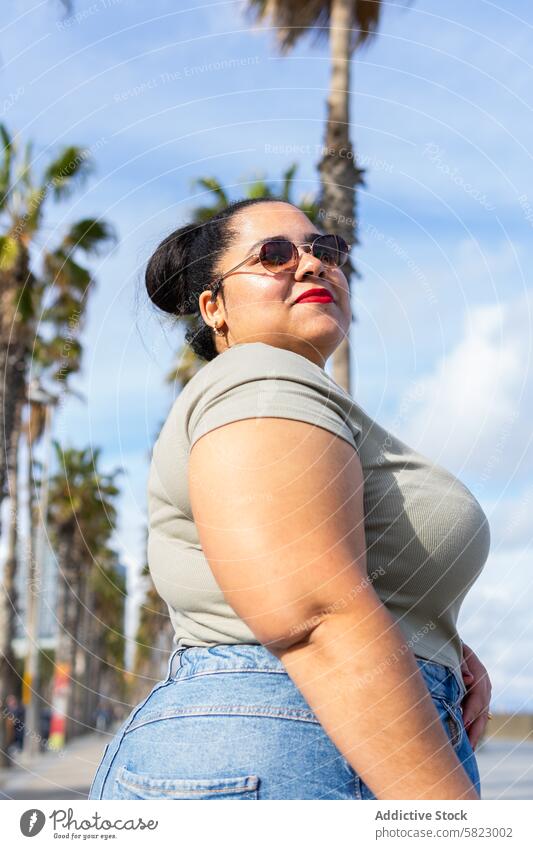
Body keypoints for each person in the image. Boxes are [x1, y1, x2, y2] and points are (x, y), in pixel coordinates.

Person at [89, 198, 492, 800]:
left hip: (288, 741)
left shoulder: (290, 396)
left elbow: (323, 581)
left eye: (325, 250)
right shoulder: (261, 380)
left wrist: (431, 637)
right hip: (282, 738)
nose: (311, 264)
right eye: (274, 254)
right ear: (214, 307)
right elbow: (316, 617)